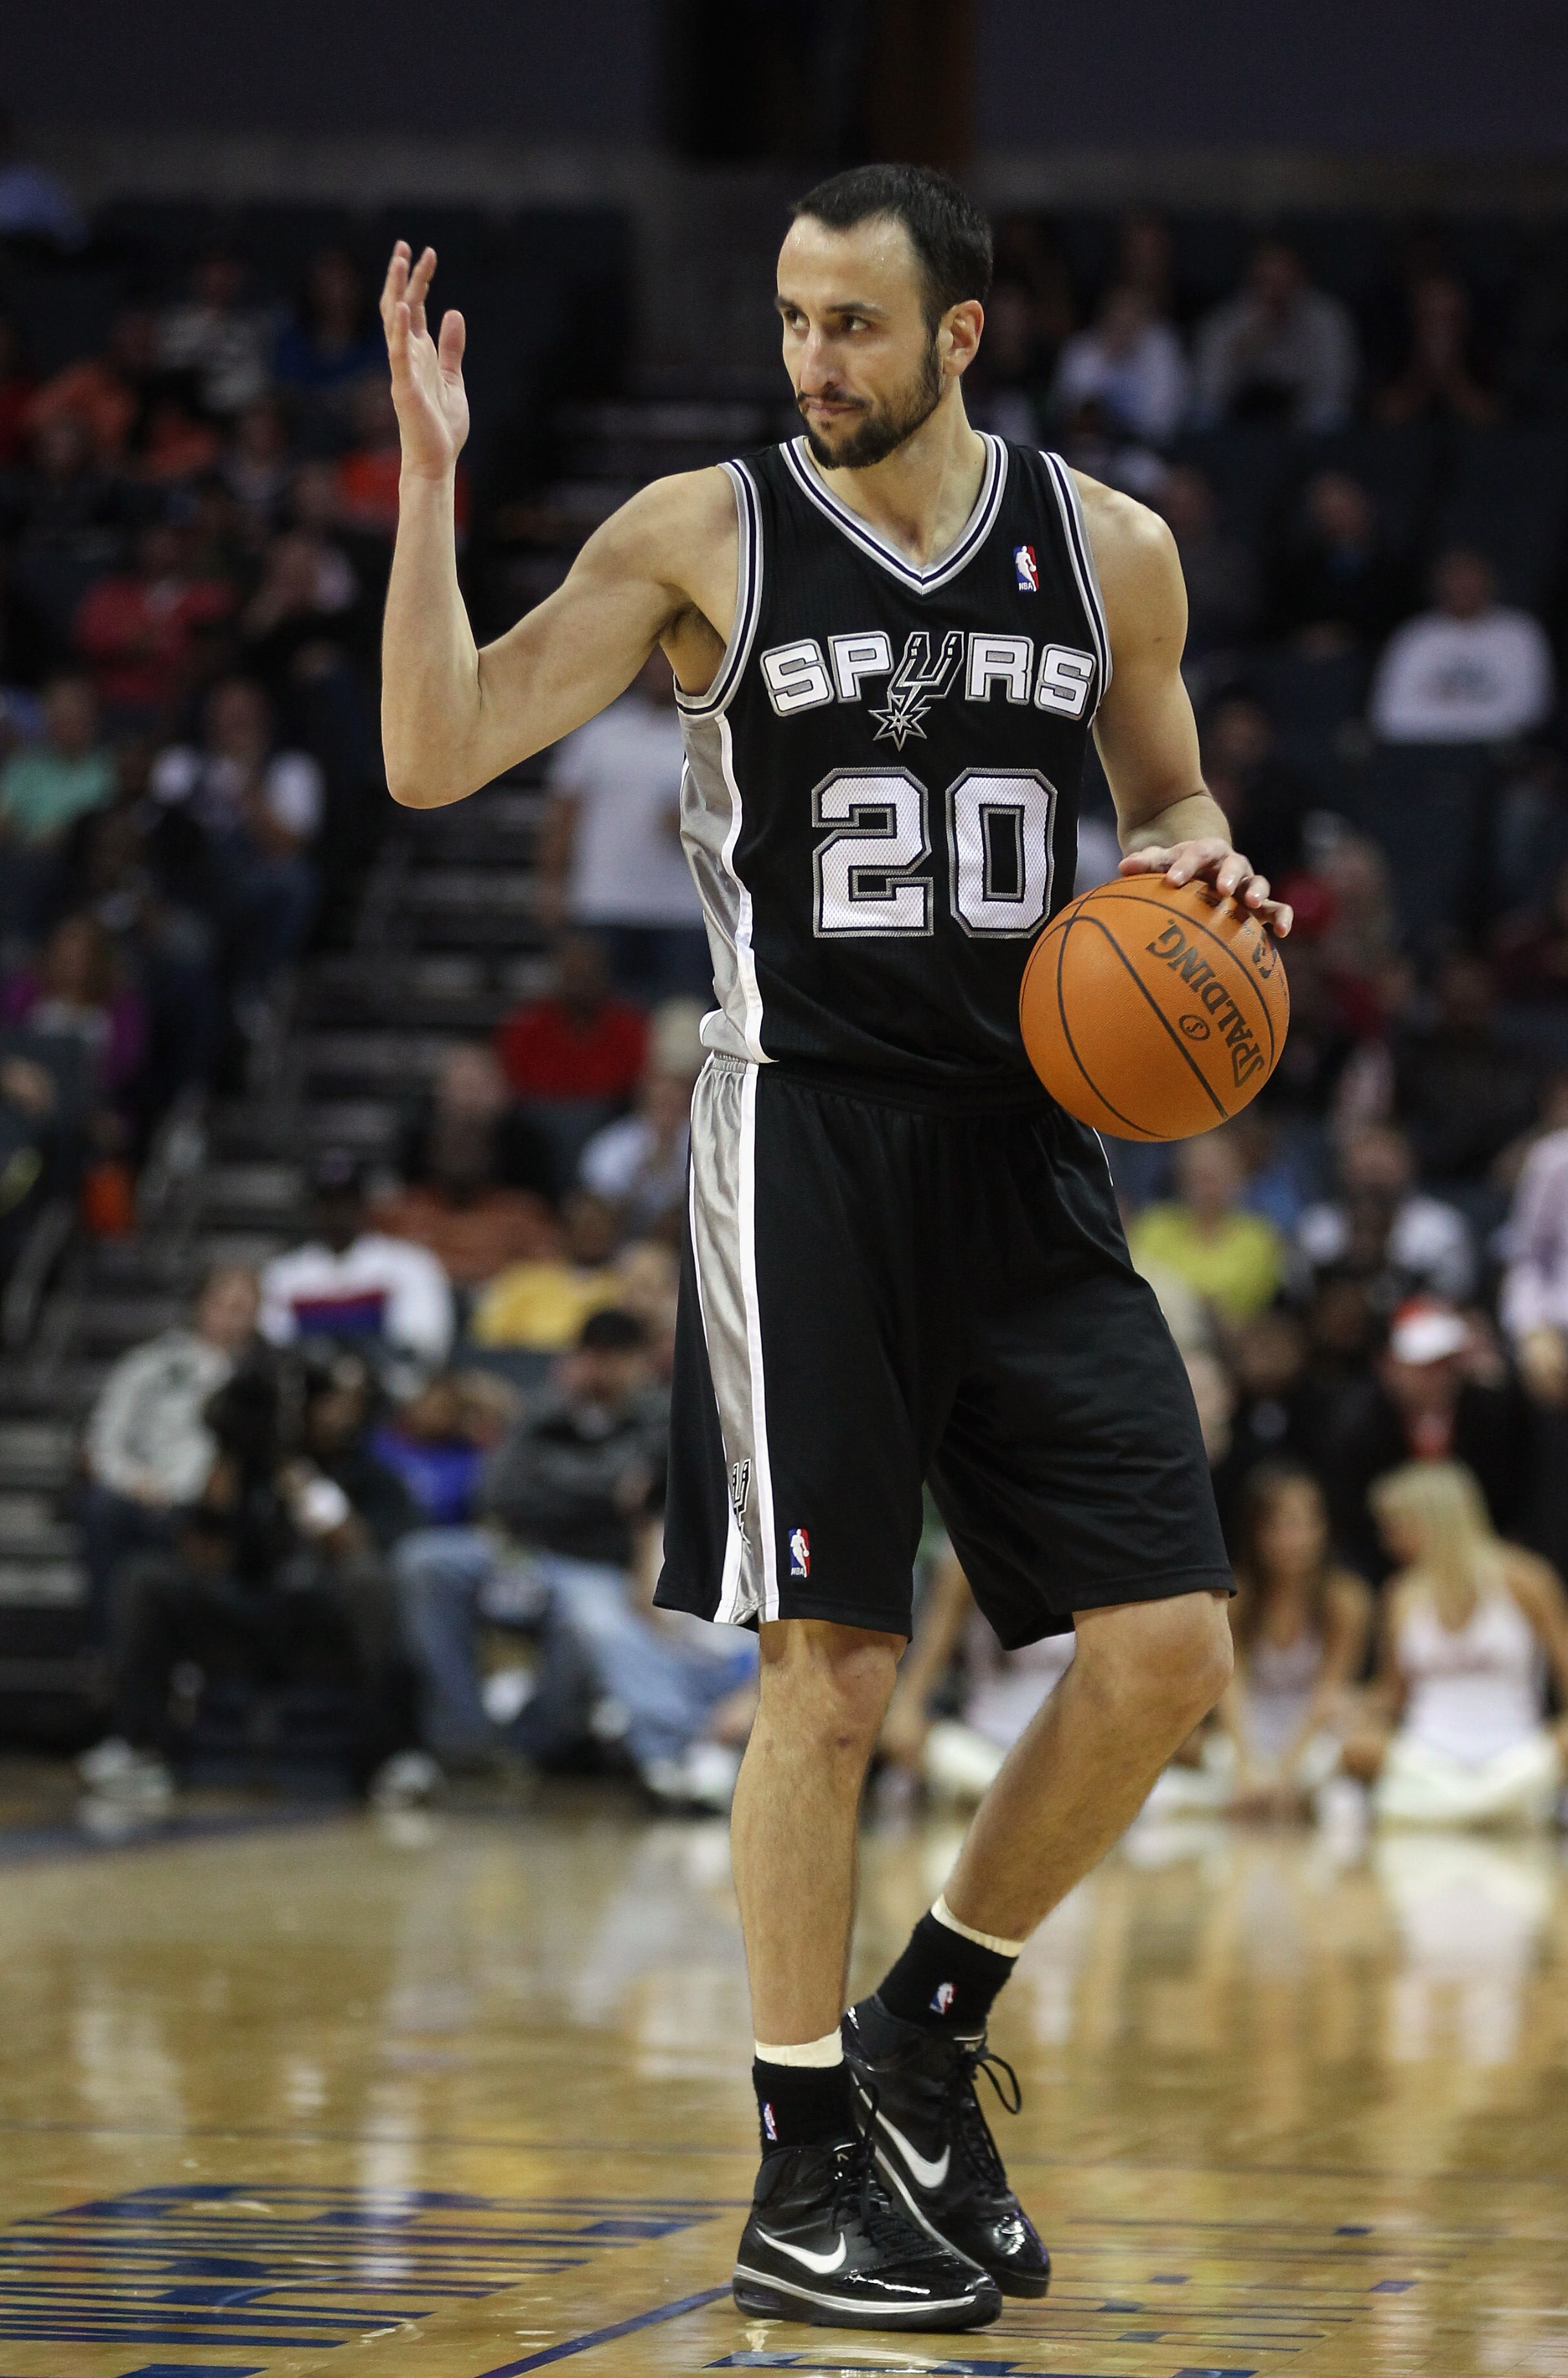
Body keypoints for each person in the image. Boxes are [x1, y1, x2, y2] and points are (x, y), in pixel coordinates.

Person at [378, 162, 1291, 2331]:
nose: (814, 360)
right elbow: (435, 752)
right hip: (802, 1137)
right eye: (793, 320)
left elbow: (1164, 799)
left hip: (1028, 1141)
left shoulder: (1108, 549)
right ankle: (798, 2165)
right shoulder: (704, 529)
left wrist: (1208, 871)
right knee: (836, 1673)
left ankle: (913, 2023)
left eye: (855, 325)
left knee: (1164, 1649)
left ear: (958, 331)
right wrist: (427, 486)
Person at [1341, 1463, 1568, 1827]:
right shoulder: (1401, 1594)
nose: (1387, 1540)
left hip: (1515, 1753)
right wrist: (1353, 1709)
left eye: (1395, 1526)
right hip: (1428, 1757)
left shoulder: (1527, 1579)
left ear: (1433, 1520)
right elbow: (1392, 1693)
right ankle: (1499, 1814)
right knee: (1357, 1750)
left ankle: (1450, 1813)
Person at [79, 1264, 261, 1632]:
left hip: (228, 1507)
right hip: (153, 1498)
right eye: (222, 1304)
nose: (230, 1318)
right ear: (201, 1305)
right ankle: (105, 1648)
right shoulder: (151, 1364)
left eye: (242, 1308)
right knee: (102, 1507)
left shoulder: (265, 1374)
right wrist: (133, 1481)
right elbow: (102, 1441)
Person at [536, 647, 712, 1001]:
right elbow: (565, 812)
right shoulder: (600, 733)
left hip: (688, 911)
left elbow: (742, 816)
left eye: (672, 664)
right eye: (655, 663)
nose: (662, 672)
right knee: (608, 1020)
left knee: (679, 1030)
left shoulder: (712, 735)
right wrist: (551, 882)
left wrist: (695, 823)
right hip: (604, 902)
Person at [1222, 1464, 1372, 1816]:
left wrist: (1289, 1774)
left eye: (1308, 1523)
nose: (1298, 1538)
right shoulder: (1236, 1600)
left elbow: (1330, 1690)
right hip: (1247, 1733)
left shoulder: (1346, 1599)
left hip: (1315, 1735)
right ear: (1257, 1532)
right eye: (1283, 1525)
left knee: (1343, 1809)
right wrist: (1245, 1769)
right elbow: (1232, 1690)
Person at [259, 1150, 454, 1375]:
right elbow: (275, 1346)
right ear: (312, 1208)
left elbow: (421, 1345)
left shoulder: (410, 1264)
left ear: (365, 1204)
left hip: (385, 1392)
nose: (338, 1213)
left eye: (348, 1201)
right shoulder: (283, 1273)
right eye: (327, 1202)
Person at [1370, 549, 1554, 746]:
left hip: (1499, 752)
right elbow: (1390, 714)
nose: (1463, 590)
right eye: (1456, 581)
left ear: (1490, 584)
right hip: (1425, 752)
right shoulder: (1415, 636)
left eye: (1471, 583)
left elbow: (1528, 709)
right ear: (1438, 587)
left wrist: (1453, 721)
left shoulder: (1519, 632)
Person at [1296, 1123, 1476, 1307]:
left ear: (1409, 1166)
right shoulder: (1317, 1227)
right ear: (1343, 1169)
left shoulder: (1441, 1229)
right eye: (1366, 1168)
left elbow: (1453, 1298)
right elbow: (1303, 1295)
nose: (1373, 1180)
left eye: (1382, 1169)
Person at [1191, 239, 1359, 431]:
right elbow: (1208, 392)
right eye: (1266, 280)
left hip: (1305, 426)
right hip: (1239, 422)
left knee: (1330, 414)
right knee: (1205, 414)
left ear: (1301, 277)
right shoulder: (1224, 323)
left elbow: (1337, 388)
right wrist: (1246, 345)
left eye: (1284, 278)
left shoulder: (1327, 319)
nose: (1276, 290)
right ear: (1251, 279)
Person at [1127, 1131, 1286, 1326]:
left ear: (1237, 1177)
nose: (1205, 1187)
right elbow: (1141, 1286)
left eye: (1213, 1177)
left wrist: (1186, 1300)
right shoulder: (1154, 1226)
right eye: (1196, 1175)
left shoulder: (1258, 1236)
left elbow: (1249, 1301)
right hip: (1159, 1333)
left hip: (1231, 1341)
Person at [1051, 285, 1188, 447]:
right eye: (1118, 317)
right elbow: (1071, 412)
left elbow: (1164, 420)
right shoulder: (1080, 351)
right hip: (1088, 446)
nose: (1124, 324)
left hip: (1148, 447)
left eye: (1132, 316)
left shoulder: (1162, 349)